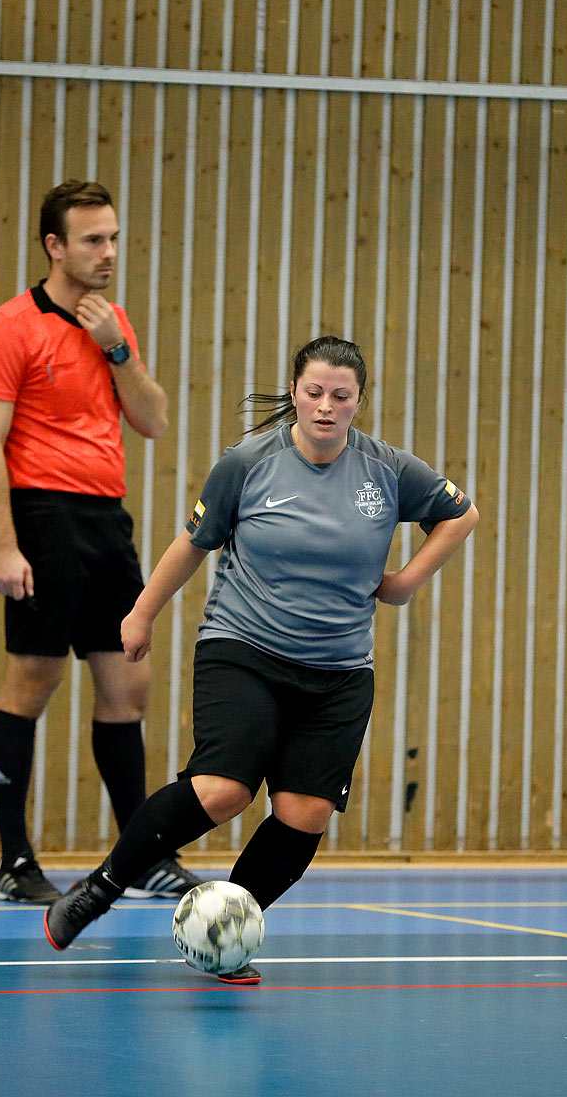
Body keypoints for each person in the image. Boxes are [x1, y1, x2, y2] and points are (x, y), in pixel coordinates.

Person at [42, 335, 480, 983]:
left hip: (337, 673)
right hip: (244, 649)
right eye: (313, 393)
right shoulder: (249, 463)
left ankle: (225, 935)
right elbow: (193, 543)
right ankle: (101, 889)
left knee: (304, 812)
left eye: (341, 396)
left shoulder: (386, 469)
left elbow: (461, 513)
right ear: (295, 393)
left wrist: (408, 579)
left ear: (359, 401)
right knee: (223, 790)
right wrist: (141, 613)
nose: (326, 407)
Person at [0, 180, 200, 904]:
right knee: (31, 682)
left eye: (113, 238)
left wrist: (117, 348)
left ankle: (139, 858)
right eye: (92, 240)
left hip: (107, 518)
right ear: (54, 247)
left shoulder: (111, 323)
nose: (107, 253)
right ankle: (15, 862)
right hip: (42, 517)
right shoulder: (8, 327)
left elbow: (154, 420)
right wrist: (5, 545)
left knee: (129, 685)